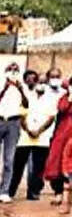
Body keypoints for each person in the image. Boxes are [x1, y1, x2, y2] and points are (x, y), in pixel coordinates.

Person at [43, 70, 72, 206]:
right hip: (62, 134)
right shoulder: (64, 97)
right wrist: (71, 96)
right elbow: (62, 109)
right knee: (57, 163)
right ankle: (58, 193)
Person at [9, 71, 52, 201]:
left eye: (43, 82)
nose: (40, 84)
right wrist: (28, 130)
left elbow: (51, 117)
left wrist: (39, 131)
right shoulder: (26, 96)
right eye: (39, 82)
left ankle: (33, 192)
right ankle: (10, 191)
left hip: (42, 137)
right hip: (25, 137)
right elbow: (22, 115)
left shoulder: (50, 97)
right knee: (18, 165)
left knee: (39, 167)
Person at [0, 61, 30, 203]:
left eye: (16, 69)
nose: (13, 71)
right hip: (0, 120)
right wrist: (4, 88)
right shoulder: (1, 82)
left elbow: (26, 104)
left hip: (14, 122)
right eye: (10, 68)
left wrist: (21, 90)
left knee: (9, 159)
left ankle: (4, 191)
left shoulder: (22, 86)